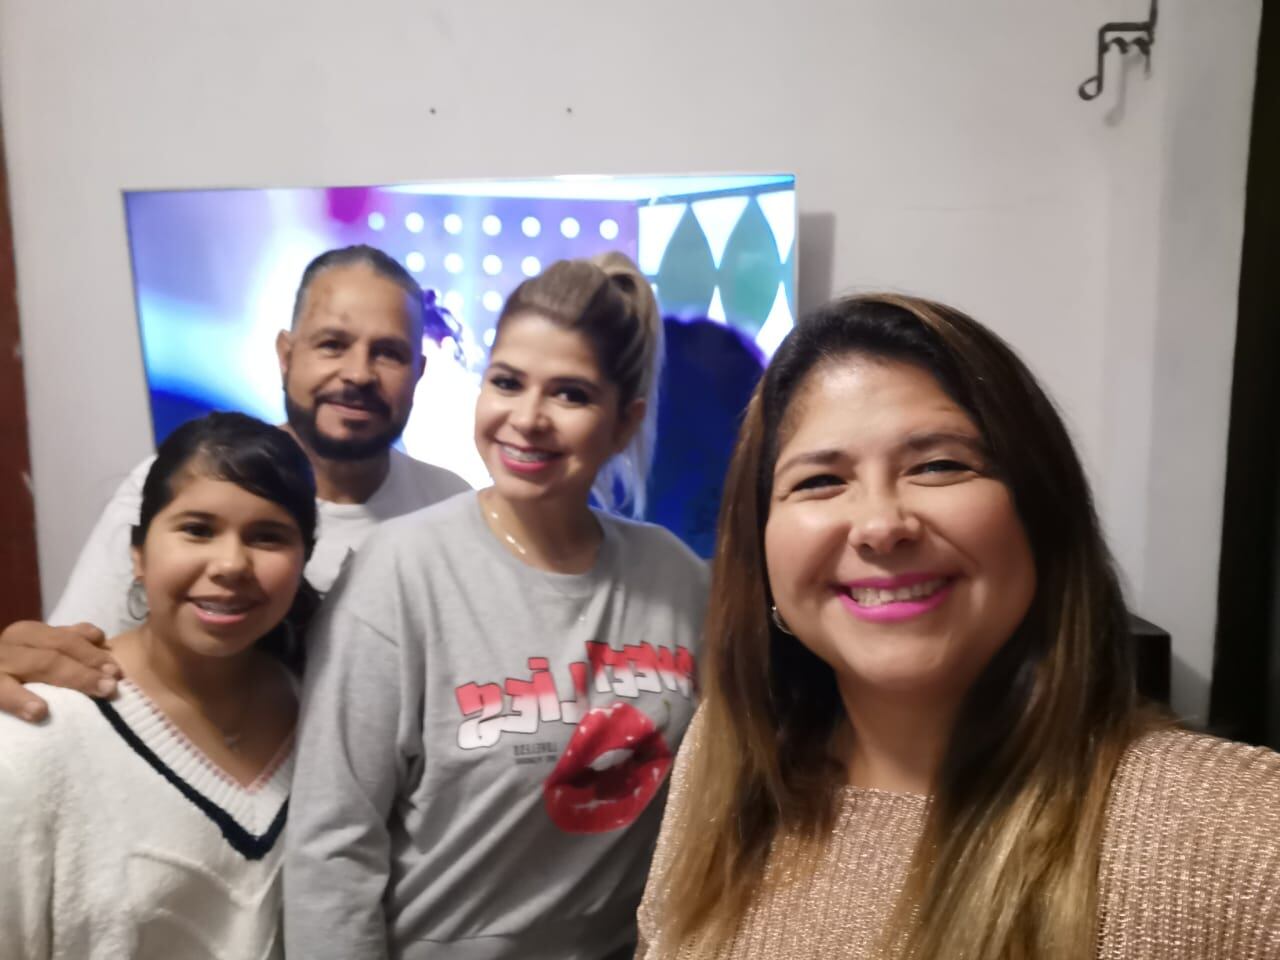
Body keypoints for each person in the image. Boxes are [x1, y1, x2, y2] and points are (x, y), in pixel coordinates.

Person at [637, 294, 1280, 959]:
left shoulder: (1230, 825)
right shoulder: (729, 757)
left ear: (1042, 514)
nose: (882, 526)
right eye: (821, 481)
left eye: (939, 466)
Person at [284, 253, 709, 959]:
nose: (528, 419)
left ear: (623, 422)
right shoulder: (399, 572)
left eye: (570, 394)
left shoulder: (674, 577)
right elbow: (332, 846)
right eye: (506, 382)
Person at [0, 244, 469, 721]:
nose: (357, 373)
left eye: (388, 353)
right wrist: (21, 666)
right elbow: (74, 661)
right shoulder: (178, 487)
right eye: (332, 344)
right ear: (286, 355)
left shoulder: (453, 508)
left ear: (418, 373)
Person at [0, 412, 318, 958]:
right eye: (197, 529)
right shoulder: (37, 730)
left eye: (268, 536)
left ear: (304, 558)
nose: (231, 564)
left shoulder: (324, 715)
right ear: (138, 553)